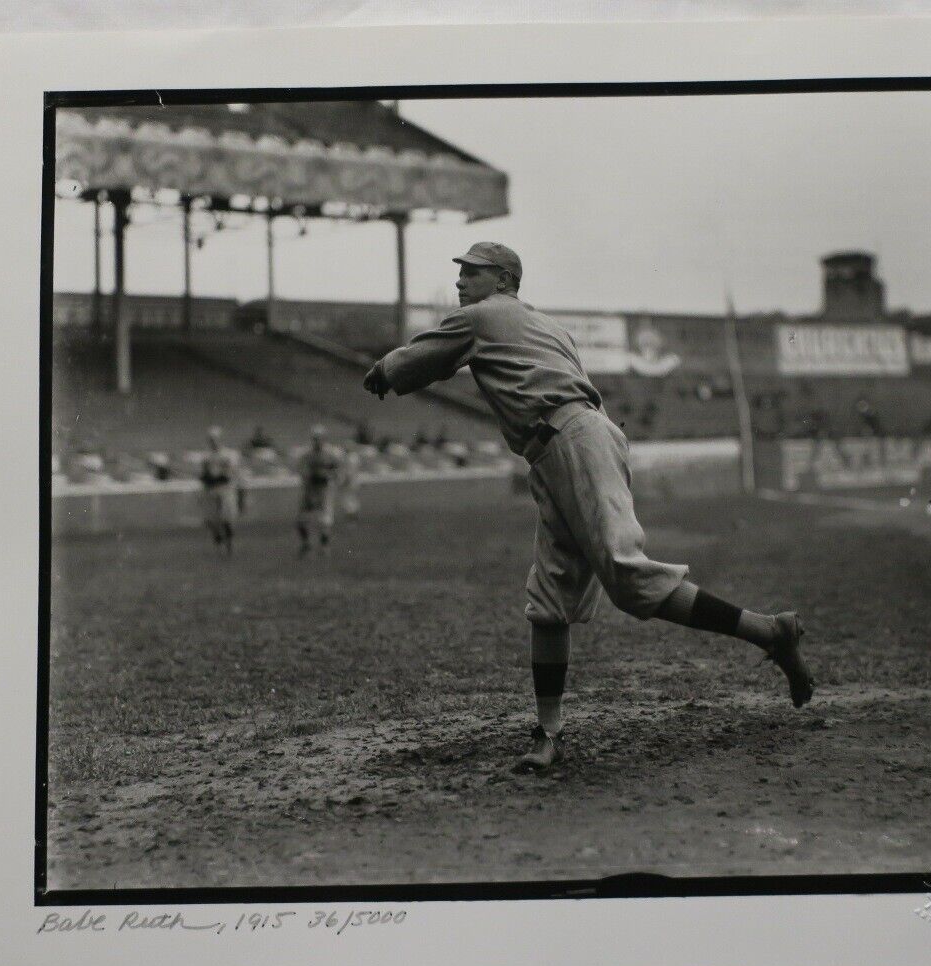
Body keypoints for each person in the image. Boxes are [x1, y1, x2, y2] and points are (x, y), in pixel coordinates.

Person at [363, 242, 812, 773]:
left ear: (504, 280)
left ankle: (769, 630)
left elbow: (415, 365)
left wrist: (385, 369)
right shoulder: (547, 326)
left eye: (472, 272)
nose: (461, 281)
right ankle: (548, 734)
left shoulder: (483, 316)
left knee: (626, 574)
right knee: (550, 598)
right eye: (460, 272)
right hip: (561, 446)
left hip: (572, 438)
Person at [294, 425, 354, 557]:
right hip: (310, 487)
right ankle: (306, 545)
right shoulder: (307, 453)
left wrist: (332, 476)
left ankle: (324, 546)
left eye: (320, 438)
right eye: (315, 438)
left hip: (325, 488)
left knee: (325, 519)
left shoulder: (332, 453)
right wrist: (307, 475)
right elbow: (299, 468)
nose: (317, 441)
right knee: (301, 519)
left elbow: (341, 469)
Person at [199, 426, 243, 555]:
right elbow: (204, 474)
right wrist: (206, 479)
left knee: (226, 519)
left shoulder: (229, 455)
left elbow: (229, 474)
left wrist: (216, 477)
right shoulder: (206, 456)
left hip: (226, 489)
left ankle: (229, 544)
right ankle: (218, 544)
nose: (213, 441)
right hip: (211, 490)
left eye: (215, 439)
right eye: (211, 439)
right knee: (212, 520)